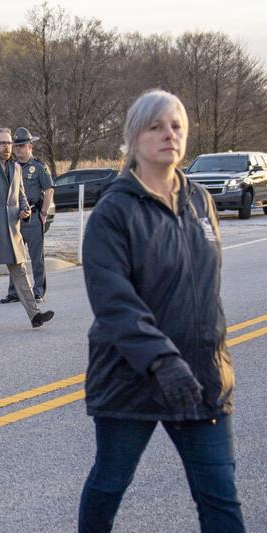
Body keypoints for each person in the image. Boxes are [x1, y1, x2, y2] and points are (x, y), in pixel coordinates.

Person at [78, 90, 244, 532]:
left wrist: (210, 355)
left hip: (201, 378)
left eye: (176, 126)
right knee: (110, 482)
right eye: (156, 127)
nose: (169, 134)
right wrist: (162, 361)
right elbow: (114, 302)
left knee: (220, 496)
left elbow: (205, 290)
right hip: (132, 378)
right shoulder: (114, 212)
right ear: (134, 139)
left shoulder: (199, 202)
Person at [0, 128, 54, 330]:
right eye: (2, 143)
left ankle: (35, 315)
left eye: (9, 144)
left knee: (20, 272)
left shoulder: (15, 168)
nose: (7, 147)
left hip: (12, 230)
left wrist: (25, 211)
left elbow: (21, 196)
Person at [1, 127, 54, 304]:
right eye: (16, 146)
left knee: (36, 256)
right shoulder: (10, 166)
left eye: (22, 146)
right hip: (14, 217)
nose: (18, 149)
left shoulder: (38, 167)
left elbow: (48, 190)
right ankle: (14, 292)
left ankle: (38, 291)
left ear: (30, 146)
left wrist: (44, 213)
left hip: (33, 216)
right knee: (14, 256)